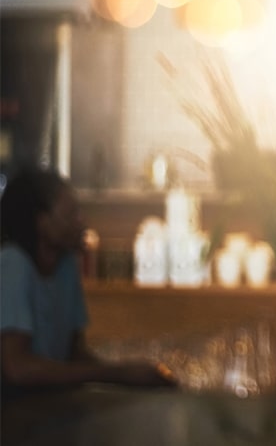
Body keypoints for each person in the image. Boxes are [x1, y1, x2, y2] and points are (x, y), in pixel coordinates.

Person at [1, 168, 176, 399]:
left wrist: (126, 375)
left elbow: (73, 354)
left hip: (45, 413)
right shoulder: (12, 263)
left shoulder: (65, 266)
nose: (83, 221)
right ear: (42, 222)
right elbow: (16, 368)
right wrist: (116, 375)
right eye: (72, 213)